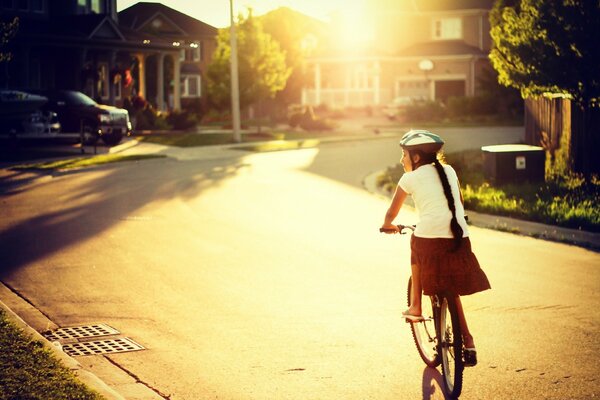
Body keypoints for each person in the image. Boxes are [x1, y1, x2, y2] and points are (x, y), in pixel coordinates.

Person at [380, 129, 491, 367]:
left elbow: (392, 211)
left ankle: (416, 305)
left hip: (429, 237)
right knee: (451, 288)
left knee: (414, 243)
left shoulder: (409, 179)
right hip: (459, 236)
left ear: (416, 157)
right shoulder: (449, 170)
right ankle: (468, 342)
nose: (401, 160)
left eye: (404, 155)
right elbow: (458, 204)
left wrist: (388, 224)